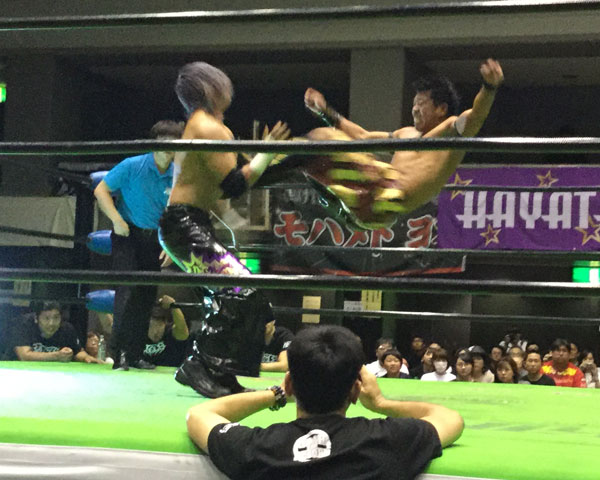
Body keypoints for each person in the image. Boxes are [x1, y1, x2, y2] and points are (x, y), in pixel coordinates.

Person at [158, 61, 290, 398]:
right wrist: (264, 155)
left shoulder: (206, 126)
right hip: (184, 224)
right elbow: (233, 184)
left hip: (190, 224)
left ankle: (221, 373)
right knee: (241, 291)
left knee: (237, 294)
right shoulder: (208, 127)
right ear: (211, 87)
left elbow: (226, 185)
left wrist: (264, 157)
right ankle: (200, 365)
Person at [186, 325, 464, 479]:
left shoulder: (257, 448)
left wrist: (277, 394)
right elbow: (450, 419)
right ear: (355, 390)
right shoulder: (387, 441)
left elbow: (199, 414)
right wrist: (380, 403)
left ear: (290, 384)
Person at [276, 59, 504, 230]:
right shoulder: (406, 134)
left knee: (323, 138)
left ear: (441, 108)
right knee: (317, 153)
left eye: (421, 103)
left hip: (388, 199)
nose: (414, 109)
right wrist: (326, 111)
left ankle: (267, 163)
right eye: (414, 104)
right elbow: (363, 138)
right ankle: (275, 173)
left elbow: (476, 115)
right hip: (367, 195)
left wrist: (489, 87)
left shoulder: (451, 132)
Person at [94, 120, 185, 370]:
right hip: (128, 234)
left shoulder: (178, 173)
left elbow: (178, 211)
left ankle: (134, 354)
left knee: (146, 295)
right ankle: (119, 354)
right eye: (163, 143)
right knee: (127, 290)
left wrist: (170, 244)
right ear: (153, 143)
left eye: (173, 144)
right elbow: (101, 190)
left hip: (155, 237)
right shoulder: (132, 165)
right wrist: (116, 219)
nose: (168, 148)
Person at [8, 301, 100, 363]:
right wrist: (57, 356)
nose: (51, 323)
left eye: (56, 318)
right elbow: (24, 356)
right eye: (46, 318)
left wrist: (86, 358)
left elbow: (77, 352)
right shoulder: (24, 324)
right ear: (36, 318)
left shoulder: (67, 329)